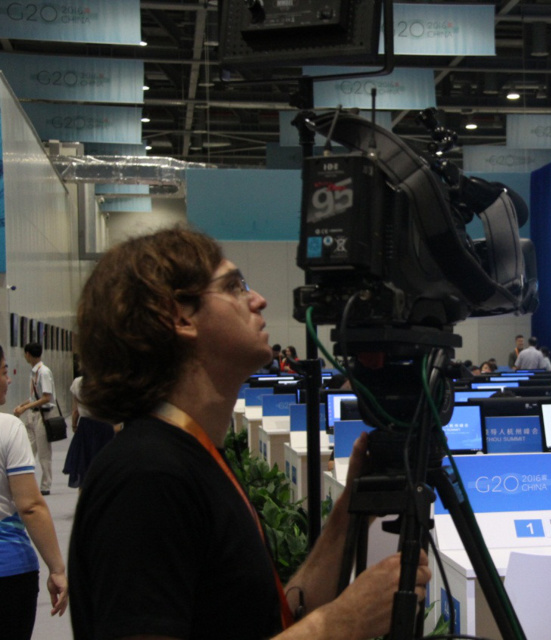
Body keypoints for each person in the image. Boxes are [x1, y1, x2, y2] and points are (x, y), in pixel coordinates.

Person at [69, 228, 429, 639]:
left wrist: (350, 511)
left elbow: (273, 616)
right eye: (235, 286)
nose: (258, 300)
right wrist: (338, 624)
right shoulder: (146, 477)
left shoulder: (190, 456)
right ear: (180, 316)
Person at [0, 345, 69, 639]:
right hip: (9, 570)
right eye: (4, 372)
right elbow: (29, 506)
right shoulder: (8, 429)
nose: (9, 379)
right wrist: (56, 568)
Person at [13, 342, 57, 495]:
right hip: (32, 414)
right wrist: (23, 405)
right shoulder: (34, 372)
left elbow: (46, 397)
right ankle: (26, 482)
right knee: (28, 449)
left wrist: (24, 408)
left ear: (28, 354)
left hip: (43, 415)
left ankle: (45, 485)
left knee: (44, 452)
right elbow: (33, 397)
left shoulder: (44, 372)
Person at [62, 374, 116, 489]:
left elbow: (75, 410)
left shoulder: (78, 382)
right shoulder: (107, 381)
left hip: (86, 426)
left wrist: (74, 425)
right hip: (104, 426)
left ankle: (84, 498)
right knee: (105, 466)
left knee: (84, 468)